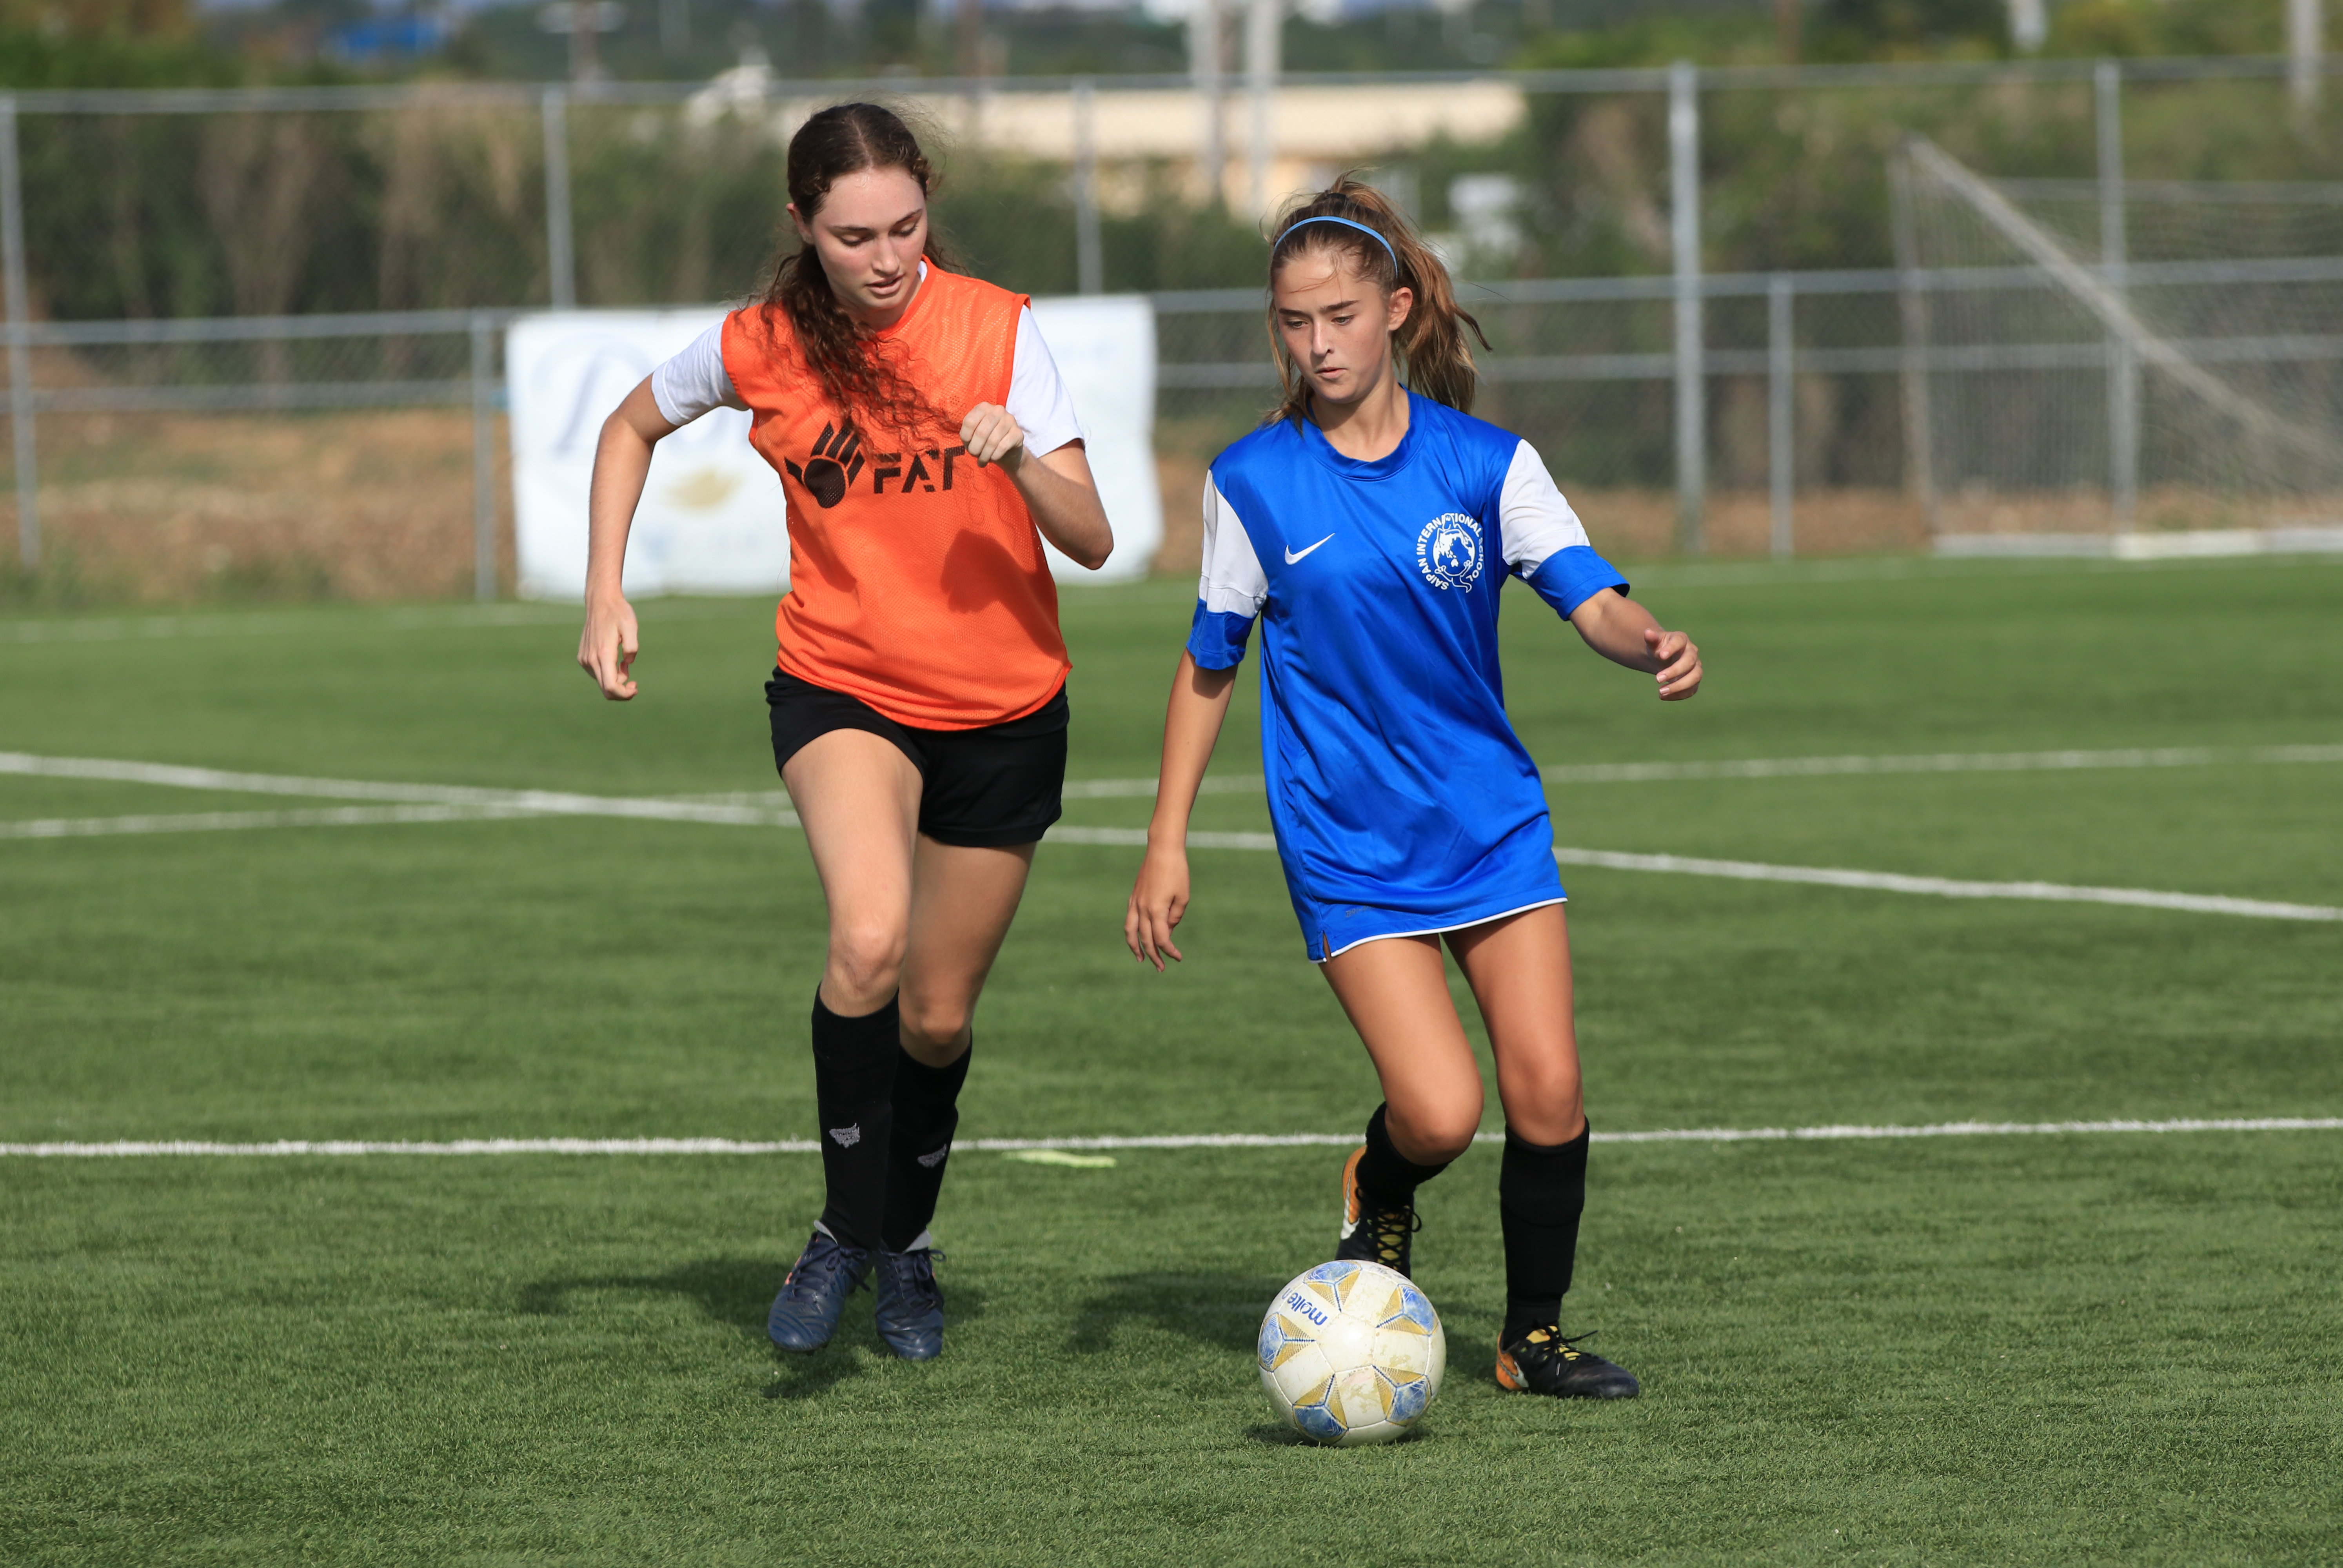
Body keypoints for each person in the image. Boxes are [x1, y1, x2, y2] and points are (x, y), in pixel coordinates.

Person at [1124, 181, 1700, 1401]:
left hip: (1489, 820)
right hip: (1347, 842)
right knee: (1439, 1112)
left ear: (1394, 309)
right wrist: (1165, 841)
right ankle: (1380, 1189)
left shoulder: (1487, 465)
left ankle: (1529, 1340)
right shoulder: (1255, 483)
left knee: (1549, 1091)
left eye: (1338, 314)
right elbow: (1209, 664)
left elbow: (1590, 593)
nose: (1316, 344)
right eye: (1292, 322)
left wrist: (1647, 636)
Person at [578, 102, 1113, 1362]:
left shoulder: (999, 327)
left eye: (907, 227)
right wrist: (607, 586)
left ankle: (905, 1248)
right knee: (867, 940)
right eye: (854, 234)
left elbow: (1092, 539)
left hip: (1006, 707)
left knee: (933, 1018)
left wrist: (1023, 455)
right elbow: (629, 426)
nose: (885, 258)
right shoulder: (759, 344)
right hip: (844, 687)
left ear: (930, 201)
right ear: (802, 225)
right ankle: (840, 1231)